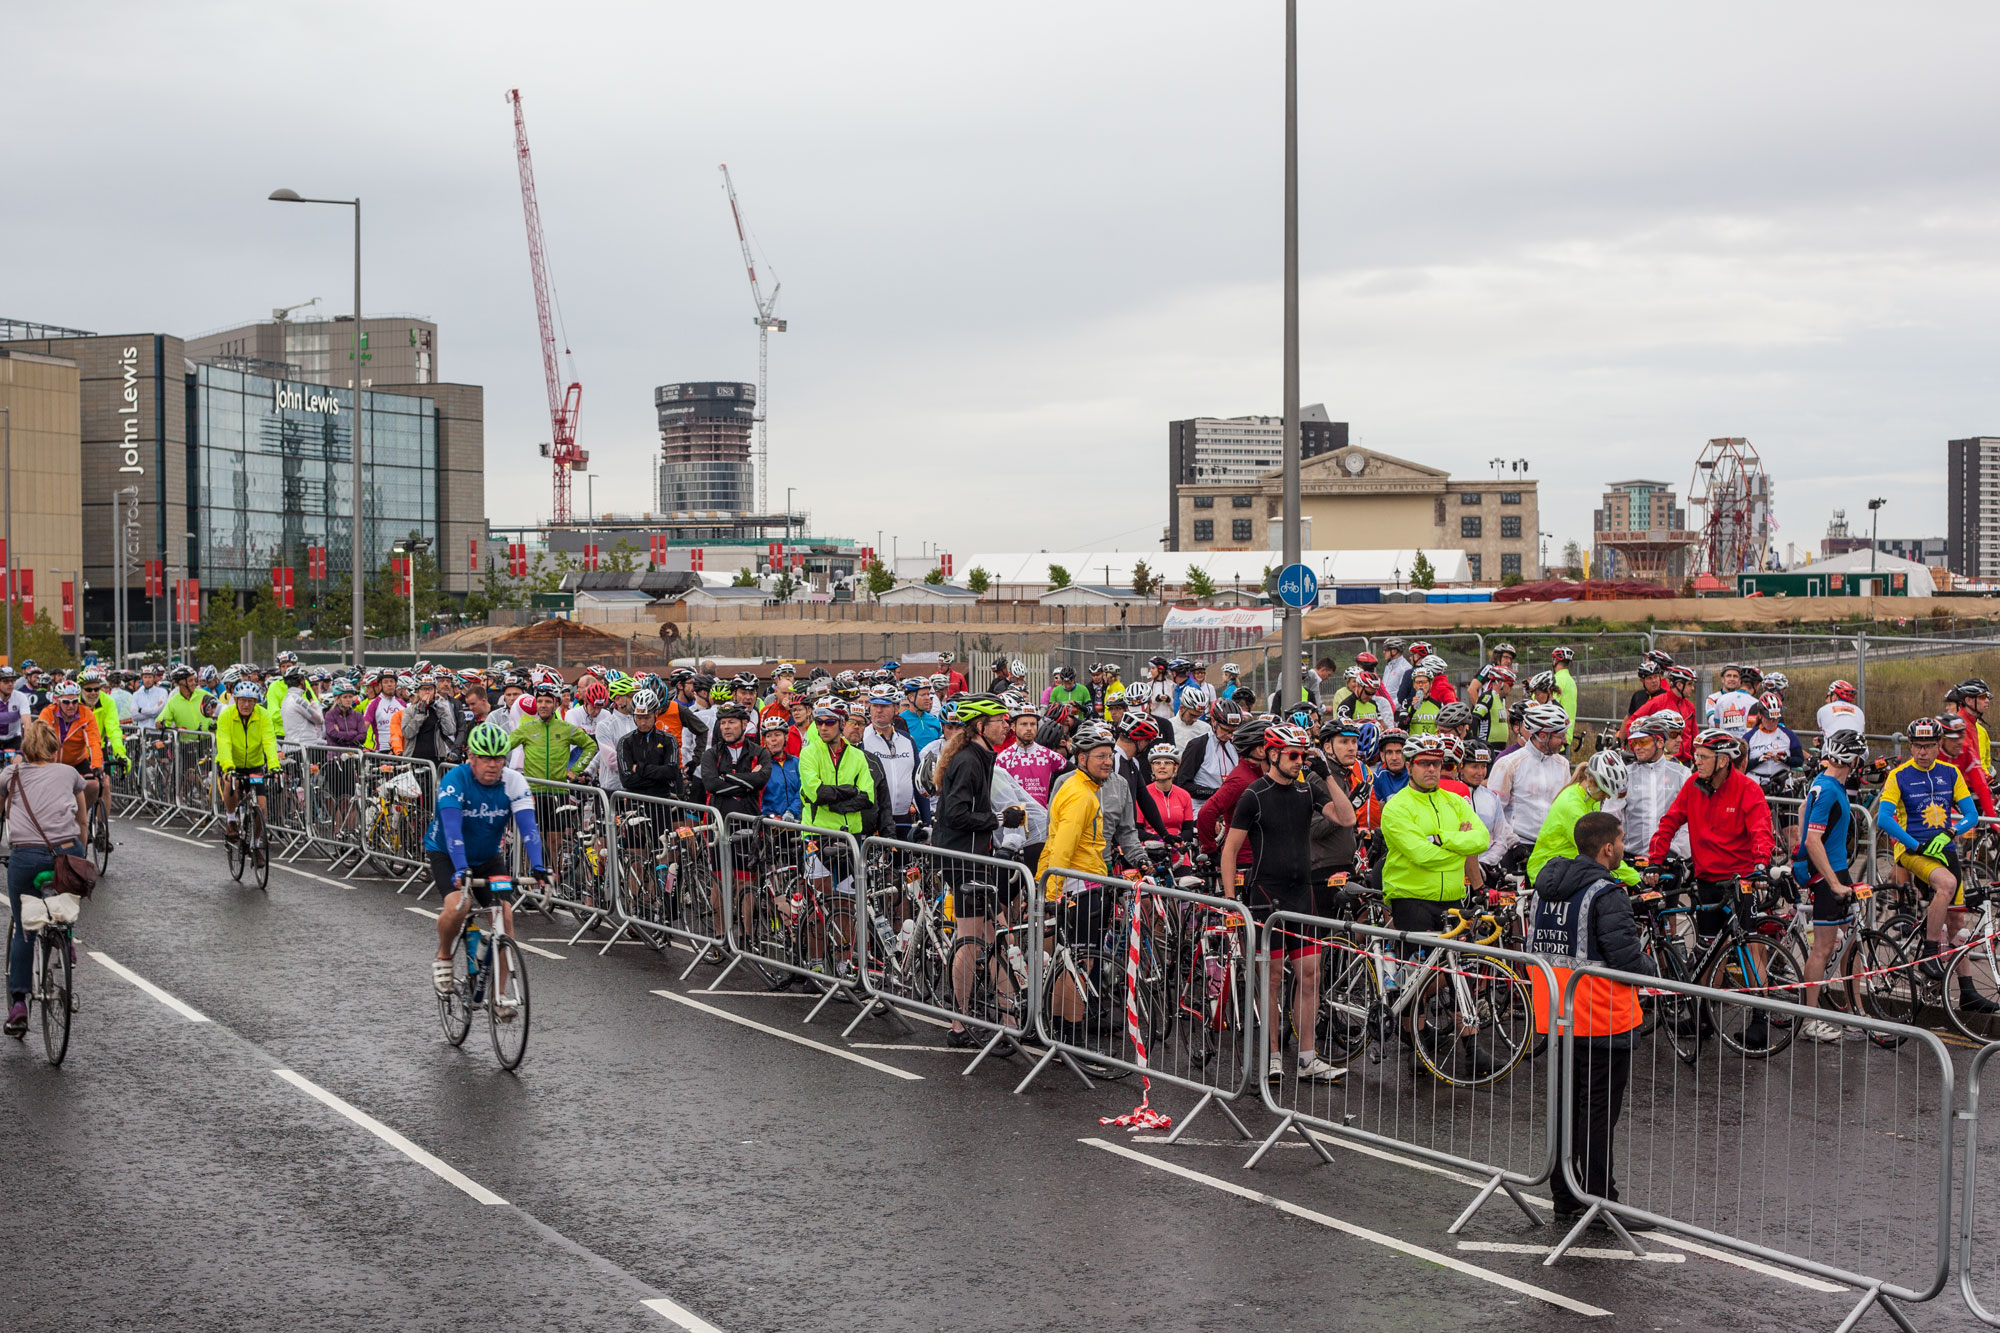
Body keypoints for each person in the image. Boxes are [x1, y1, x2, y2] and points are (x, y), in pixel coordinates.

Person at [1527, 810, 1656, 1224]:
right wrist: (1656, 969)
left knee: (1566, 1110)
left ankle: (1566, 1197)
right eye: (1620, 841)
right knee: (1597, 1113)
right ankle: (1602, 1201)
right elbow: (1625, 961)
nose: (1623, 847)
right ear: (1606, 847)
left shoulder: (1545, 889)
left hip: (1557, 1016)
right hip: (1602, 1017)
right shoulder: (1606, 892)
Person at [1220, 721, 1354, 1085]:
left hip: (1301, 894)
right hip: (1266, 897)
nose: (1299, 761)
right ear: (1273, 754)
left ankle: (1308, 1058)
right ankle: (1274, 1055)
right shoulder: (1254, 795)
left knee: (1311, 975)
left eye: (1303, 755)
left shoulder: (1307, 791)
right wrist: (1233, 902)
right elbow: (1230, 850)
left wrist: (1325, 774)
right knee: (1274, 979)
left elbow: (1347, 818)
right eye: (1292, 755)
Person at [425, 723, 548, 1002]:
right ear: (472, 758)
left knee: (504, 917)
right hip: (446, 851)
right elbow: (453, 829)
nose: (492, 765)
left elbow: (529, 828)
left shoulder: (513, 781)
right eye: (485, 758)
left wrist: (539, 867)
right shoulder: (455, 780)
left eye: (498, 758)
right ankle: (444, 956)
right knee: (460, 904)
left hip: (487, 856)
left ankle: (500, 996)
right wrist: (460, 868)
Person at [936, 696, 1019, 1047]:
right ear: (981, 726)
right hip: (961, 860)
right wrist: (998, 819)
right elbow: (955, 814)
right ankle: (958, 1024)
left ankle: (1009, 1018)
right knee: (970, 943)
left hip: (976, 858)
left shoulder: (982, 756)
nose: (1007, 725)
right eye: (1000, 720)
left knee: (998, 935)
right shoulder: (969, 760)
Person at [1877, 716, 1982, 982]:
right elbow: (1884, 818)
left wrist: (1952, 832)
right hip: (1912, 851)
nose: (1922, 752)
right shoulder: (1898, 775)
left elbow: (1971, 814)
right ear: (1910, 746)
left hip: (1944, 848)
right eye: (1917, 746)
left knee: (1958, 922)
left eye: (1929, 745)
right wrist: (1915, 844)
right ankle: (1929, 953)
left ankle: (1967, 991)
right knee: (1946, 884)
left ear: (1939, 745)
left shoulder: (1950, 773)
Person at [1792, 731, 1882, 1039]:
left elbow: (1804, 811)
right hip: (1826, 877)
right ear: (1854, 760)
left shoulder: (1829, 783)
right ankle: (1809, 1020)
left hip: (1839, 870)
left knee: (1849, 946)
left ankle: (1854, 1009)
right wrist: (1832, 883)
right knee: (1823, 948)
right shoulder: (1829, 789)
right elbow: (1813, 839)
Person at [1645, 729, 1774, 945]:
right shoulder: (1693, 785)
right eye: (1696, 755)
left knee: (1752, 945)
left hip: (1740, 880)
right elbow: (1669, 822)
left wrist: (1761, 865)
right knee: (1708, 949)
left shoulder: (1748, 789)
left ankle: (1757, 981)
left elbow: (1760, 830)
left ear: (1723, 761)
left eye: (1703, 757)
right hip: (1706, 880)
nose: (1697, 762)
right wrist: (1655, 860)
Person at [1, 719, 87, 1036]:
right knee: (67, 892)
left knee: (25, 927)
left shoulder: (11, 775)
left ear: (25, 746)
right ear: (53, 747)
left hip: (25, 855)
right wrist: (81, 853)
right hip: (66, 850)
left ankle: (19, 1005)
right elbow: (82, 822)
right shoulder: (69, 773)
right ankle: (65, 935)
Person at [1526, 751, 1641, 890]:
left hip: (1569, 868)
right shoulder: (1572, 806)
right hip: (1549, 872)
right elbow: (1598, 851)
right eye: (1605, 792)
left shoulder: (1591, 798)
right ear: (1592, 782)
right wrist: (1634, 879)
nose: (1607, 798)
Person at [1488, 703, 1574, 863]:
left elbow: (1565, 808)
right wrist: (1514, 844)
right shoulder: (1508, 763)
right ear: (1542, 735)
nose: (1565, 741)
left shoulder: (1563, 764)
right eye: (1560, 736)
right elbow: (1494, 811)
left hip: (1551, 848)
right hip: (1518, 848)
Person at [1604, 714, 1690, 864]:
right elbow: (1610, 817)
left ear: (1660, 742)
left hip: (1670, 858)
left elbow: (1689, 821)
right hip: (1631, 858)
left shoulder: (1682, 774)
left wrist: (1675, 850)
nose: (1637, 747)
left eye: (1643, 742)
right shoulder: (1625, 774)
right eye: (1634, 742)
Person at [213, 680, 278, 843]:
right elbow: (224, 741)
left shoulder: (263, 716)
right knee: (230, 783)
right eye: (242, 700)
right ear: (236, 700)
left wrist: (274, 766)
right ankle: (231, 819)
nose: (246, 705)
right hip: (231, 764)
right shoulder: (226, 715)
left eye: (250, 701)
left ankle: (256, 844)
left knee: (261, 808)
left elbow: (269, 741)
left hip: (254, 765)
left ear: (256, 702)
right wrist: (228, 767)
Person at [504, 683, 598, 786]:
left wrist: (575, 770)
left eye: (548, 702)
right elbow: (502, 747)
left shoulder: (566, 728)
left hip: (560, 791)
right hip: (533, 792)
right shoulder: (526, 728)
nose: (543, 705)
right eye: (539, 701)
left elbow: (591, 746)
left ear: (556, 704)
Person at [861, 693, 918, 838]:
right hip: (875, 818)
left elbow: (917, 781)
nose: (879, 710)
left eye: (884, 706)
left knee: (903, 861)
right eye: (874, 705)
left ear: (896, 709)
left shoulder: (907, 739)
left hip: (903, 817)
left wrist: (926, 819)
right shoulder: (863, 738)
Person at [618, 689, 684, 800]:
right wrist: (660, 778)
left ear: (656, 713)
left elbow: (672, 772)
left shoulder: (669, 740)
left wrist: (640, 768)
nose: (643, 723)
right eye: (638, 718)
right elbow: (626, 780)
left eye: (647, 718)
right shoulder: (625, 741)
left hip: (662, 802)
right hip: (635, 803)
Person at [996, 701, 1064, 807]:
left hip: (1042, 819)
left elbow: (1075, 774)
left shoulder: (1049, 755)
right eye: (1024, 724)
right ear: (1013, 727)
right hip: (1015, 820)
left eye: (1032, 724)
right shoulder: (1002, 759)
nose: (1029, 728)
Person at [1626, 665, 1698, 761]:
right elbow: (1632, 723)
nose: (1693, 688)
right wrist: (1637, 748)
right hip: (1664, 760)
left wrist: (1697, 759)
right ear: (1680, 685)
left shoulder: (1690, 707)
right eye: (1690, 684)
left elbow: (1694, 735)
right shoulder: (1657, 702)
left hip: (1686, 762)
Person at [1942, 713, 1997, 818]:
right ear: (1942, 739)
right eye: (1953, 739)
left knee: (1972, 820)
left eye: (1962, 736)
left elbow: (1981, 786)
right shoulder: (1932, 755)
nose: (1959, 742)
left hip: (1958, 793)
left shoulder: (1966, 751)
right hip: (1935, 799)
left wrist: (1993, 821)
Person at [1744, 696, 1804, 788]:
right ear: (1760, 715)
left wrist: (1786, 759)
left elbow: (1799, 760)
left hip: (1782, 784)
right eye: (1769, 718)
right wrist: (1758, 760)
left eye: (1776, 719)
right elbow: (1741, 766)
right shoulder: (1749, 737)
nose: (1773, 722)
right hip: (1756, 785)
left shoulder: (1789, 735)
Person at [1139, 742, 1194, 841]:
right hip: (1151, 848)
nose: (1162, 766)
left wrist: (1176, 840)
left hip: (1178, 848)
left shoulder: (1184, 795)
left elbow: (1188, 831)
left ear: (1175, 768)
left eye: (1167, 763)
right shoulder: (1142, 793)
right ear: (1152, 767)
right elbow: (1137, 830)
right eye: (1157, 763)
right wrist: (1161, 840)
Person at [759, 715, 802, 819]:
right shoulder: (761, 765)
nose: (773, 739)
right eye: (769, 736)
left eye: (777, 735)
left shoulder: (796, 762)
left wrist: (791, 811)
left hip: (795, 821)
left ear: (786, 737)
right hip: (770, 823)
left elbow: (802, 789)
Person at [1703, 666, 1759, 735]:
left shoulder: (1749, 700)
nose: (1732, 679)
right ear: (1722, 679)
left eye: (1735, 676)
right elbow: (1713, 723)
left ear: (1740, 680)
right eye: (1728, 676)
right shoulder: (1713, 698)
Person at [1550, 648, 1580, 747]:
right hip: (1567, 734)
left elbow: (1547, 702)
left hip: (1555, 735)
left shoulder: (1557, 680)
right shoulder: (1571, 681)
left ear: (1555, 661)